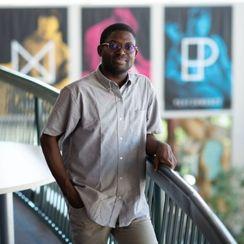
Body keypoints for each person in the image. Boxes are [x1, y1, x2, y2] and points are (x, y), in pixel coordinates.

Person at [40, 23, 177, 244]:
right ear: (100, 50)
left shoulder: (145, 88)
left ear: (135, 53)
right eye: (113, 45)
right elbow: (48, 138)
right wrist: (69, 191)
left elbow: (147, 136)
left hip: (133, 205)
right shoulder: (77, 93)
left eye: (128, 46)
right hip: (89, 204)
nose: (121, 51)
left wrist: (161, 147)